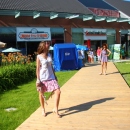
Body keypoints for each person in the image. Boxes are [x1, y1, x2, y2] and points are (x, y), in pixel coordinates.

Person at [36, 41, 61, 118]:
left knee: (58, 91)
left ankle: (55, 109)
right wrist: (38, 80)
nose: (48, 44)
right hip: (43, 78)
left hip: (51, 77)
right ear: (43, 45)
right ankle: (43, 109)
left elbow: (51, 67)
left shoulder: (49, 54)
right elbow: (37, 69)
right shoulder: (39, 56)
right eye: (47, 43)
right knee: (41, 93)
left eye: (49, 43)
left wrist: (55, 75)